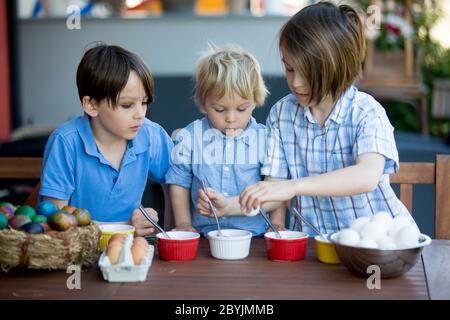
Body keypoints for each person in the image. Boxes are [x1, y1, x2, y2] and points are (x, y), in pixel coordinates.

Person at [239, 1, 416, 235]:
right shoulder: (282, 115)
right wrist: (229, 205)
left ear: (338, 68)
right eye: (290, 69)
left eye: (309, 73)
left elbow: (367, 176)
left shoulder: (366, 112)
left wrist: (293, 186)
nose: (296, 83)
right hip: (314, 247)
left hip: (377, 242)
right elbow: (275, 191)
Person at [40, 43, 173, 237]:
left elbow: (177, 181)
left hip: (131, 252)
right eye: (127, 105)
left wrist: (171, 234)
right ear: (92, 105)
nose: (140, 114)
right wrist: (126, 226)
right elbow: (54, 222)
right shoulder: (66, 142)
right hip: (77, 255)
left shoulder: (150, 135)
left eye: (144, 103)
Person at [165, 44, 286, 236]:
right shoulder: (190, 137)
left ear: (254, 101)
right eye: (220, 110)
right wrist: (183, 223)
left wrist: (277, 224)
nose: (231, 118)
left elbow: (274, 186)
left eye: (241, 109)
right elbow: (179, 182)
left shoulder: (265, 139)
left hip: (254, 236)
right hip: (205, 235)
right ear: (204, 102)